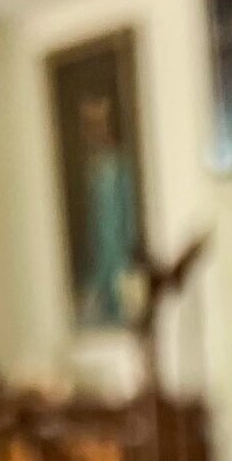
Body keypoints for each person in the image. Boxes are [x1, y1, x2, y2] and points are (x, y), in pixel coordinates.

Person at [78, 93, 138, 325]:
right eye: (90, 126)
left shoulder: (122, 168)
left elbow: (128, 221)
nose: (95, 132)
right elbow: (95, 225)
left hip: (122, 259)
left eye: (99, 125)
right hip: (102, 260)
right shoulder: (94, 171)